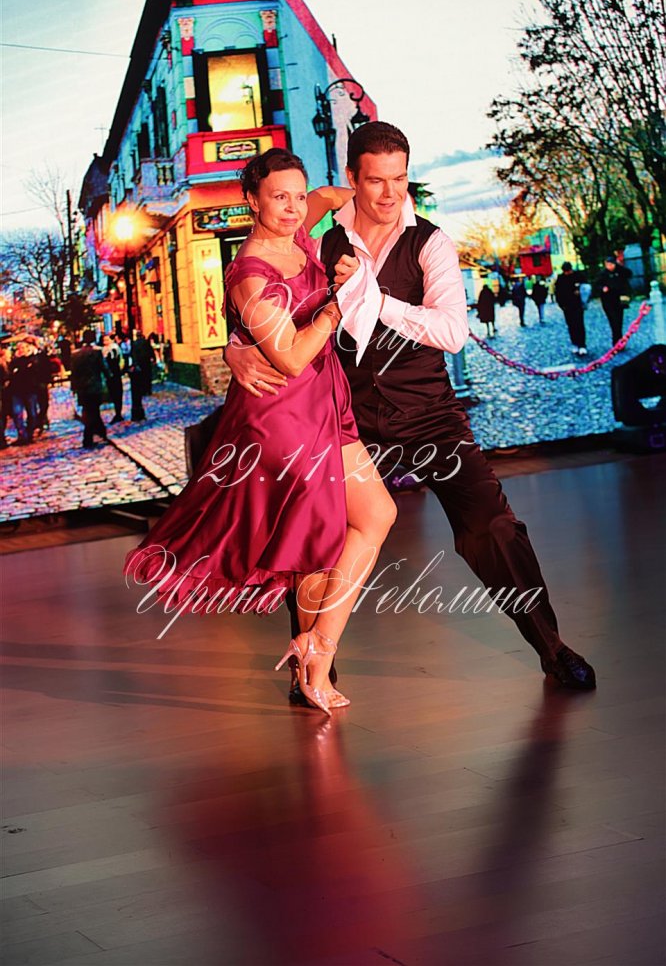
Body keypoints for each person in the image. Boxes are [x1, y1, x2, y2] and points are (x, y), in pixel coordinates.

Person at [225, 121, 596, 693]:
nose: (390, 193)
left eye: (399, 179)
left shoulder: (431, 243)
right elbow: (264, 295)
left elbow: (451, 332)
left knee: (493, 527)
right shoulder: (318, 238)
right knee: (317, 534)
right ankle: (311, 664)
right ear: (352, 179)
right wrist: (235, 349)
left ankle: (552, 648)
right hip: (344, 415)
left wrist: (377, 300)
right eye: (376, 180)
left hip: (428, 413)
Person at [124, 148, 397, 715]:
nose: (294, 208)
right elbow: (292, 357)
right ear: (251, 200)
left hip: (327, 407)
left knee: (375, 516)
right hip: (283, 420)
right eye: (279, 197)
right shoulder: (251, 274)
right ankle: (315, 660)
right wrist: (338, 304)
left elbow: (335, 195)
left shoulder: (299, 229)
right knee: (318, 546)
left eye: (297, 195)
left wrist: (376, 192)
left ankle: (315, 647)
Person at [70, 329, 109, 449]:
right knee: (93, 412)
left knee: (89, 411)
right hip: (94, 387)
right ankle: (89, 438)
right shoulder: (97, 353)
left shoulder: (75, 354)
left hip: (82, 389)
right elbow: (104, 368)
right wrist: (109, 377)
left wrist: (74, 388)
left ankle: (100, 432)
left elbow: (73, 373)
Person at [7, 341, 40, 445]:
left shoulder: (33, 359)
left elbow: (34, 372)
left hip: (30, 390)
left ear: (27, 348)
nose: (21, 350)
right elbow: (11, 374)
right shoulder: (15, 361)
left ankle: (29, 433)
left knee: (32, 414)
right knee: (17, 413)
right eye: (19, 348)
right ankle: (22, 435)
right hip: (17, 391)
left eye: (23, 348)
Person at [555, 262, 587, 355]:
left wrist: (581, 293)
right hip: (567, 306)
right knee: (571, 325)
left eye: (568, 271)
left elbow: (586, 287)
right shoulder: (561, 278)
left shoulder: (578, 276)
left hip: (578, 304)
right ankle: (575, 343)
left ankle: (582, 345)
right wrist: (561, 305)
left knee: (579, 325)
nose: (567, 273)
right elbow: (558, 292)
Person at [595, 255, 629, 345]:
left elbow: (629, 273)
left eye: (611, 264)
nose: (609, 267)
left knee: (619, 320)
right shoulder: (602, 274)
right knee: (613, 320)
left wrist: (619, 266)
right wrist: (602, 288)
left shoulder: (620, 271)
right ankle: (616, 341)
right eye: (607, 265)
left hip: (618, 299)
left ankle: (619, 340)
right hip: (608, 300)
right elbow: (596, 284)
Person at [101, 333, 124, 422]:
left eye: (107, 340)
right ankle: (117, 413)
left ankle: (118, 413)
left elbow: (113, 362)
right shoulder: (104, 350)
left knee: (116, 393)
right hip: (110, 376)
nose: (105, 342)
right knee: (114, 394)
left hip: (114, 375)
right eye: (104, 340)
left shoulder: (113, 349)